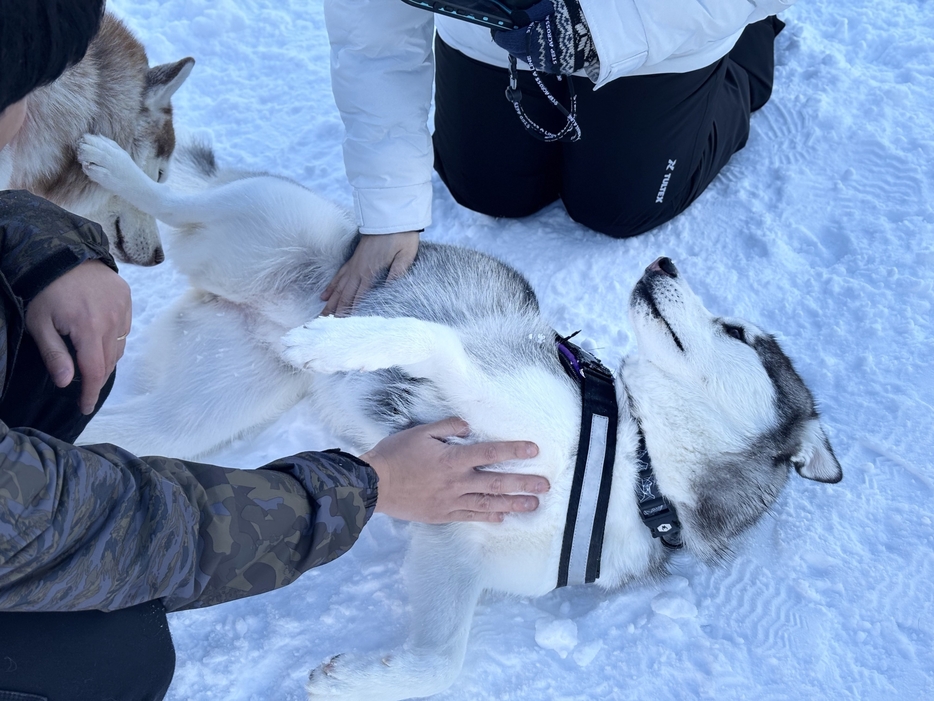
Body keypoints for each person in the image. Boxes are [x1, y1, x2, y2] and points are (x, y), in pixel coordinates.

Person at [0, 2, 546, 699]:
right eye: (22, 95)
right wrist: (363, 487)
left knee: (69, 370)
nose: (24, 120)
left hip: (279, 320)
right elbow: (108, 527)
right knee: (118, 652)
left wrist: (41, 248)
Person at [321, 0, 793, 315]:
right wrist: (389, 211)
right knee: (485, 188)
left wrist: (607, 30)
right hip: (492, 35)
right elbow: (371, 42)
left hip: (662, 31)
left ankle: (749, 47)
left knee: (619, 205)